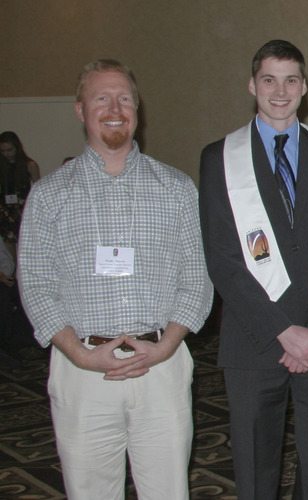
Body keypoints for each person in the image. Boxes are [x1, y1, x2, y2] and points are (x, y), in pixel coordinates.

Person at [17, 59, 213, 500]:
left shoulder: (177, 188)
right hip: (81, 372)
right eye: (101, 98)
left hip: (161, 367)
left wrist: (166, 346)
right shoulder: (49, 195)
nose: (114, 109)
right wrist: (79, 354)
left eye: (124, 98)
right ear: (80, 109)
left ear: (137, 110)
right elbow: (36, 284)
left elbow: (197, 278)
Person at [198, 40, 308, 499]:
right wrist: (282, 331)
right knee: (255, 470)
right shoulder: (218, 157)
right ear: (253, 85)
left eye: (291, 80)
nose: (280, 91)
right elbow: (221, 257)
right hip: (254, 338)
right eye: (269, 79)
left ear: (305, 87)